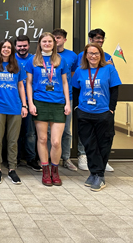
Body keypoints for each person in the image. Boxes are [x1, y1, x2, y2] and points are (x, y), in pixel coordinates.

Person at [72, 44, 121, 191]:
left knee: (103, 145)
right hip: (85, 113)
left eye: (96, 53)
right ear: (85, 55)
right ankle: (95, 173)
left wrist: (111, 109)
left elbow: (114, 90)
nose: (93, 56)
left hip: (103, 113)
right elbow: (75, 90)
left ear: (101, 55)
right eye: (90, 53)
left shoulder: (109, 69)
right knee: (89, 145)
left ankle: (98, 175)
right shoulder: (81, 71)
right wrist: (76, 108)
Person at [26, 32, 71, 186]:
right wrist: (31, 103)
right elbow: (29, 84)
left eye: (50, 41)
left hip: (58, 103)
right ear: (39, 43)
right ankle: (45, 171)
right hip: (40, 102)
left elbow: (65, 83)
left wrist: (67, 103)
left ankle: (55, 170)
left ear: (54, 43)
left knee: (56, 141)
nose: (47, 44)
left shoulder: (61, 60)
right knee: (42, 139)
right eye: (44, 41)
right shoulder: (33, 61)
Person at [0, 40, 28, 184]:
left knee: (13, 141)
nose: (6, 49)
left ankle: (12, 169)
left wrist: (24, 105)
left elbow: (21, 86)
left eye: (9, 47)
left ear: (12, 50)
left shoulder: (17, 66)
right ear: (0, 49)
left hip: (15, 108)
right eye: (4, 47)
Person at [76, 28, 115, 172]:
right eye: (97, 38)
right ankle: (84, 156)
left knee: (103, 139)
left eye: (102, 38)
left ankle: (101, 166)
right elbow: (76, 84)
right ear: (90, 39)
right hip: (85, 108)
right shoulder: (81, 57)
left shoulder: (108, 58)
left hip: (103, 108)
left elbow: (112, 84)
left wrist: (111, 108)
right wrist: (76, 107)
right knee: (88, 138)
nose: (100, 41)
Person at [52, 29, 78, 172]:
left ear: (64, 40)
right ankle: (51, 158)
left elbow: (72, 76)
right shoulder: (46, 55)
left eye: (59, 38)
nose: (56, 40)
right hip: (50, 98)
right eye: (54, 38)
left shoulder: (72, 56)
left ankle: (66, 158)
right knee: (50, 131)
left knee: (66, 130)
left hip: (67, 98)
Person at [14, 35, 41, 172]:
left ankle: (31, 159)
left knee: (30, 132)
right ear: (15, 47)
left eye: (24, 45)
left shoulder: (35, 59)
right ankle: (16, 158)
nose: (22, 48)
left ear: (29, 46)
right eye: (19, 46)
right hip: (14, 100)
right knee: (15, 132)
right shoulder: (11, 60)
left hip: (31, 100)